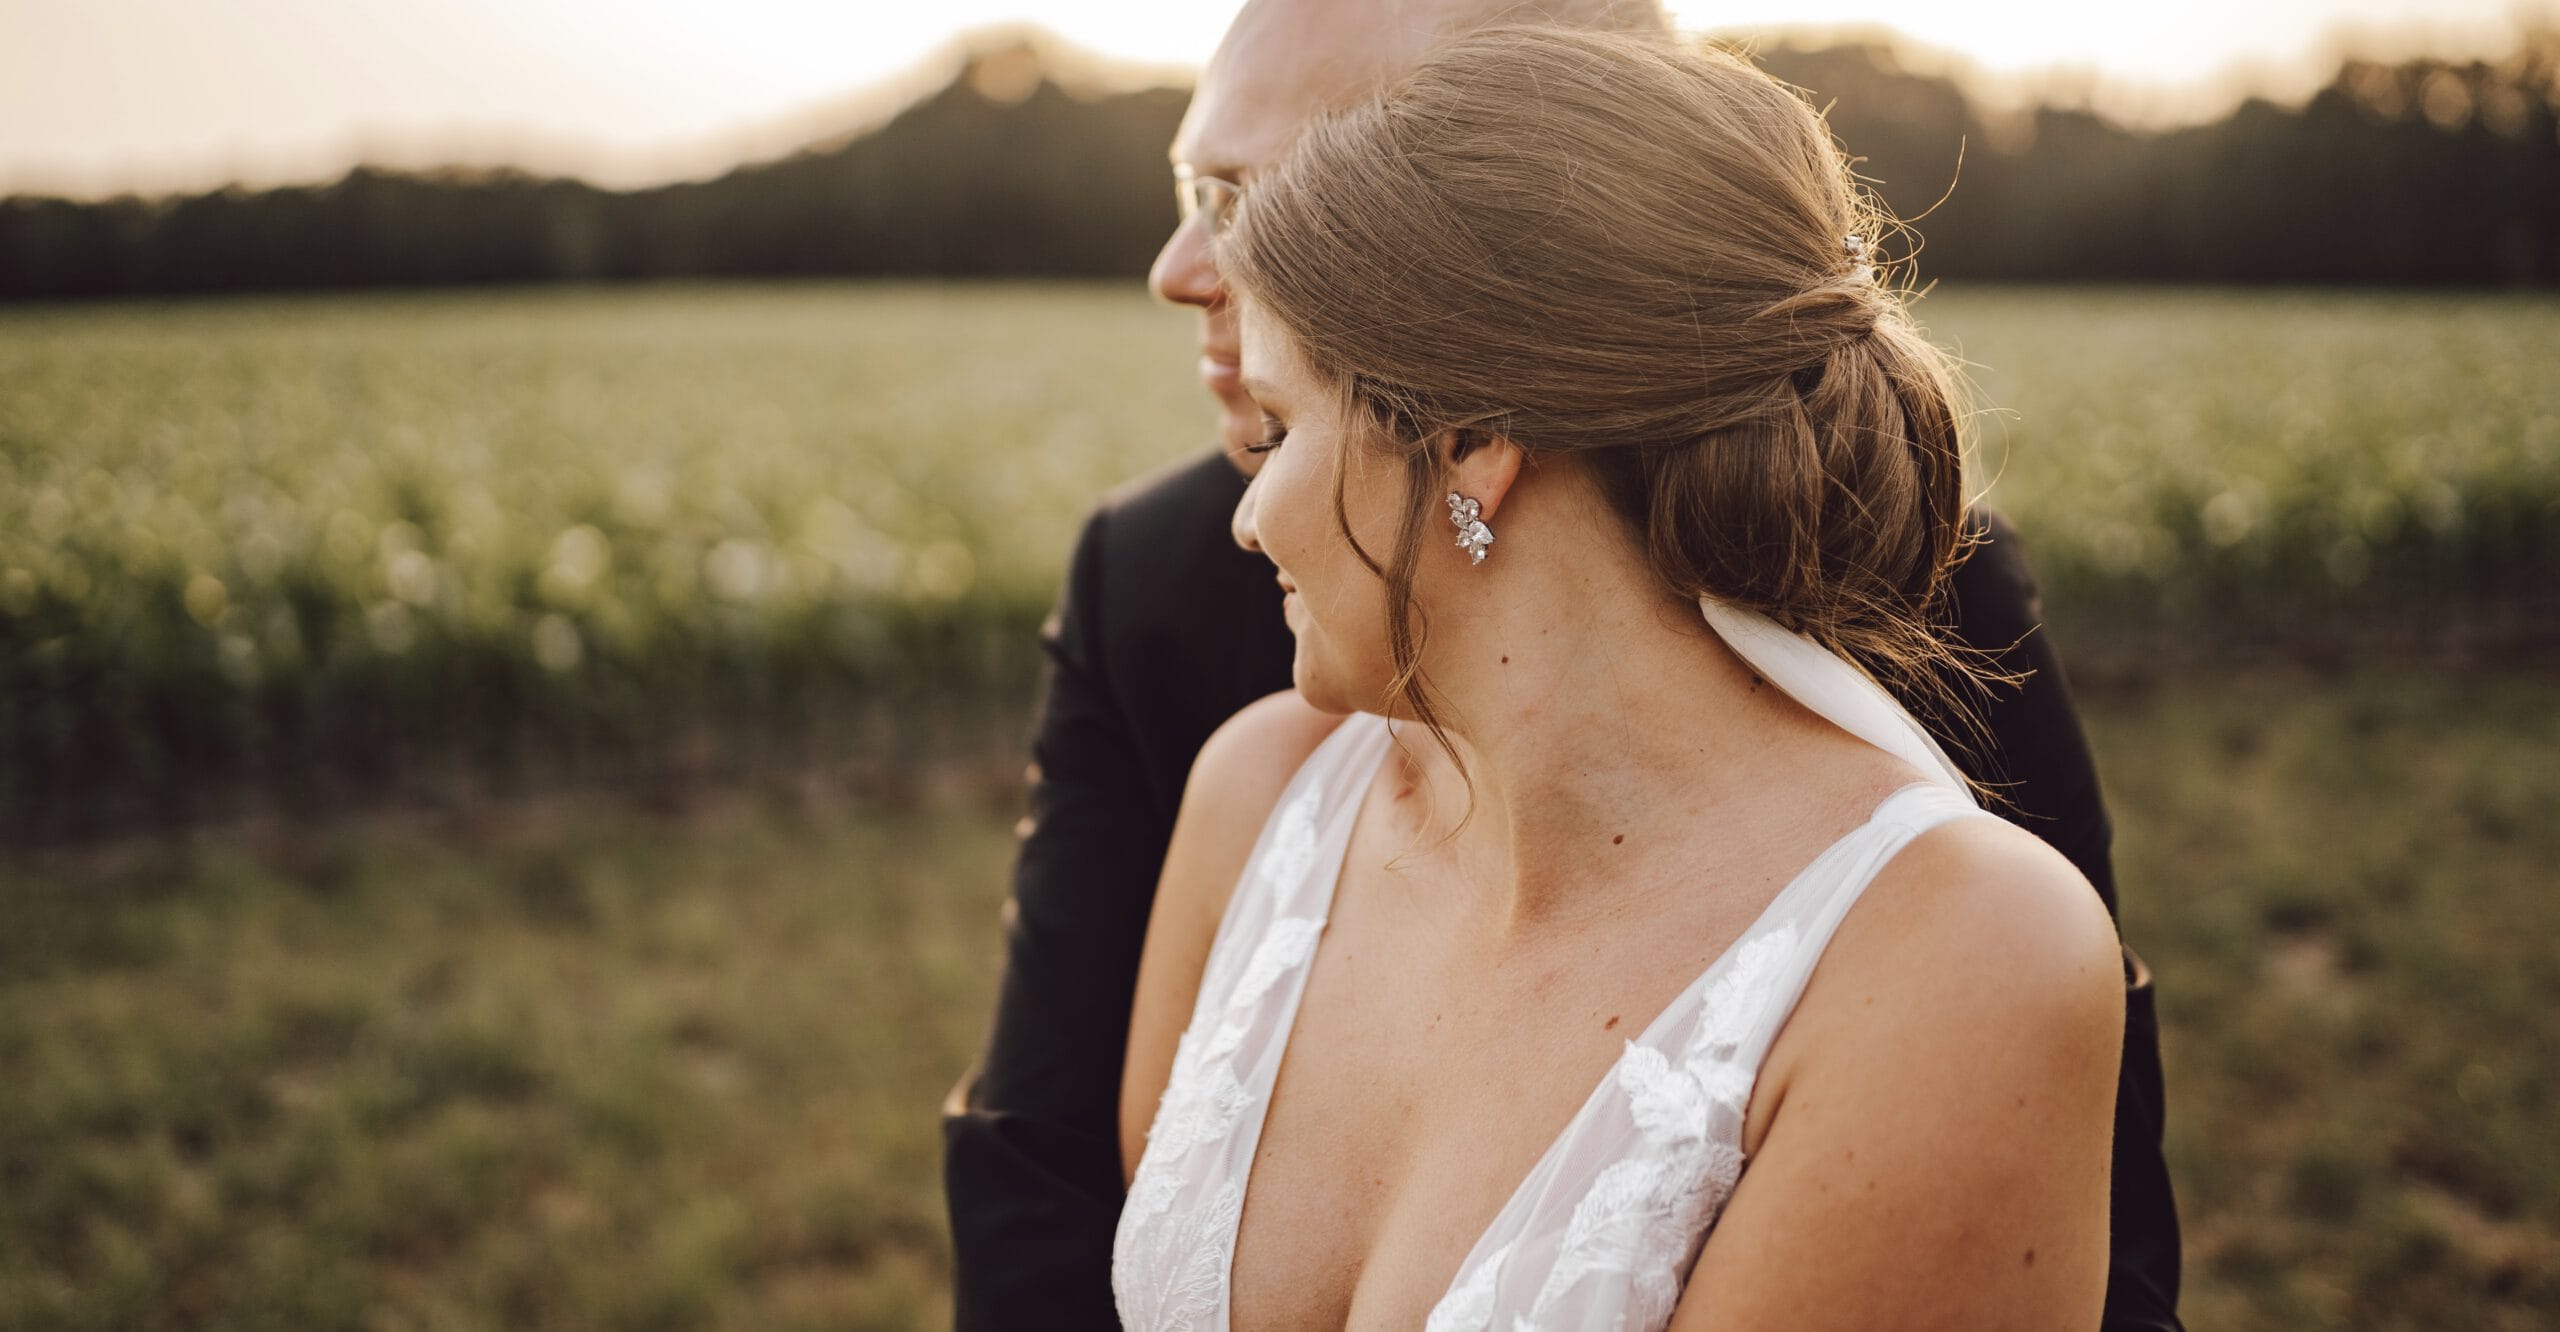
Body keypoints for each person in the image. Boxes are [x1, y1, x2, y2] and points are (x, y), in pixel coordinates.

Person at [942, 2, 2180, 1328]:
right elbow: (1050, 1176)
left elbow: (2063, 1218)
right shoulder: (1249, 773)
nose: (1187, 267)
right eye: (1196, 188)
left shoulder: (1932, 705)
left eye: (1255, 199)